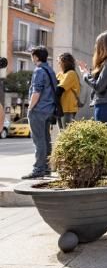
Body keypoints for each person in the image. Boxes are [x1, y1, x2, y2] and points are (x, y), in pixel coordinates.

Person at [22, 46, 58, 179]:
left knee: (39, 141)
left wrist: (30, 108)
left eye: (32, 55)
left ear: (36, 57)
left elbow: (36, 92)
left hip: (38, 110)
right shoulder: (50, 71)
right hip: (49, 110)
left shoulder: (38, 71)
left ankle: (38, 169)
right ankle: (47, 167)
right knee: (46, 139)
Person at [78, 30, 107, 129]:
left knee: (104, 140)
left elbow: (99, 86)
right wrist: (89, 72)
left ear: (105, 46)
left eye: (98, 44)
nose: (96, 47)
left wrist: (85, 74)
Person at [56, 52, 81, 129]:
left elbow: (59, 89)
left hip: (68, 108)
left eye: (60, 62)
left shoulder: (71, 74)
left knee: (67, 133)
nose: (59, 64)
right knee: (61, 133)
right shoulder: (60, 74)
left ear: (65, 63)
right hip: (60, 107)